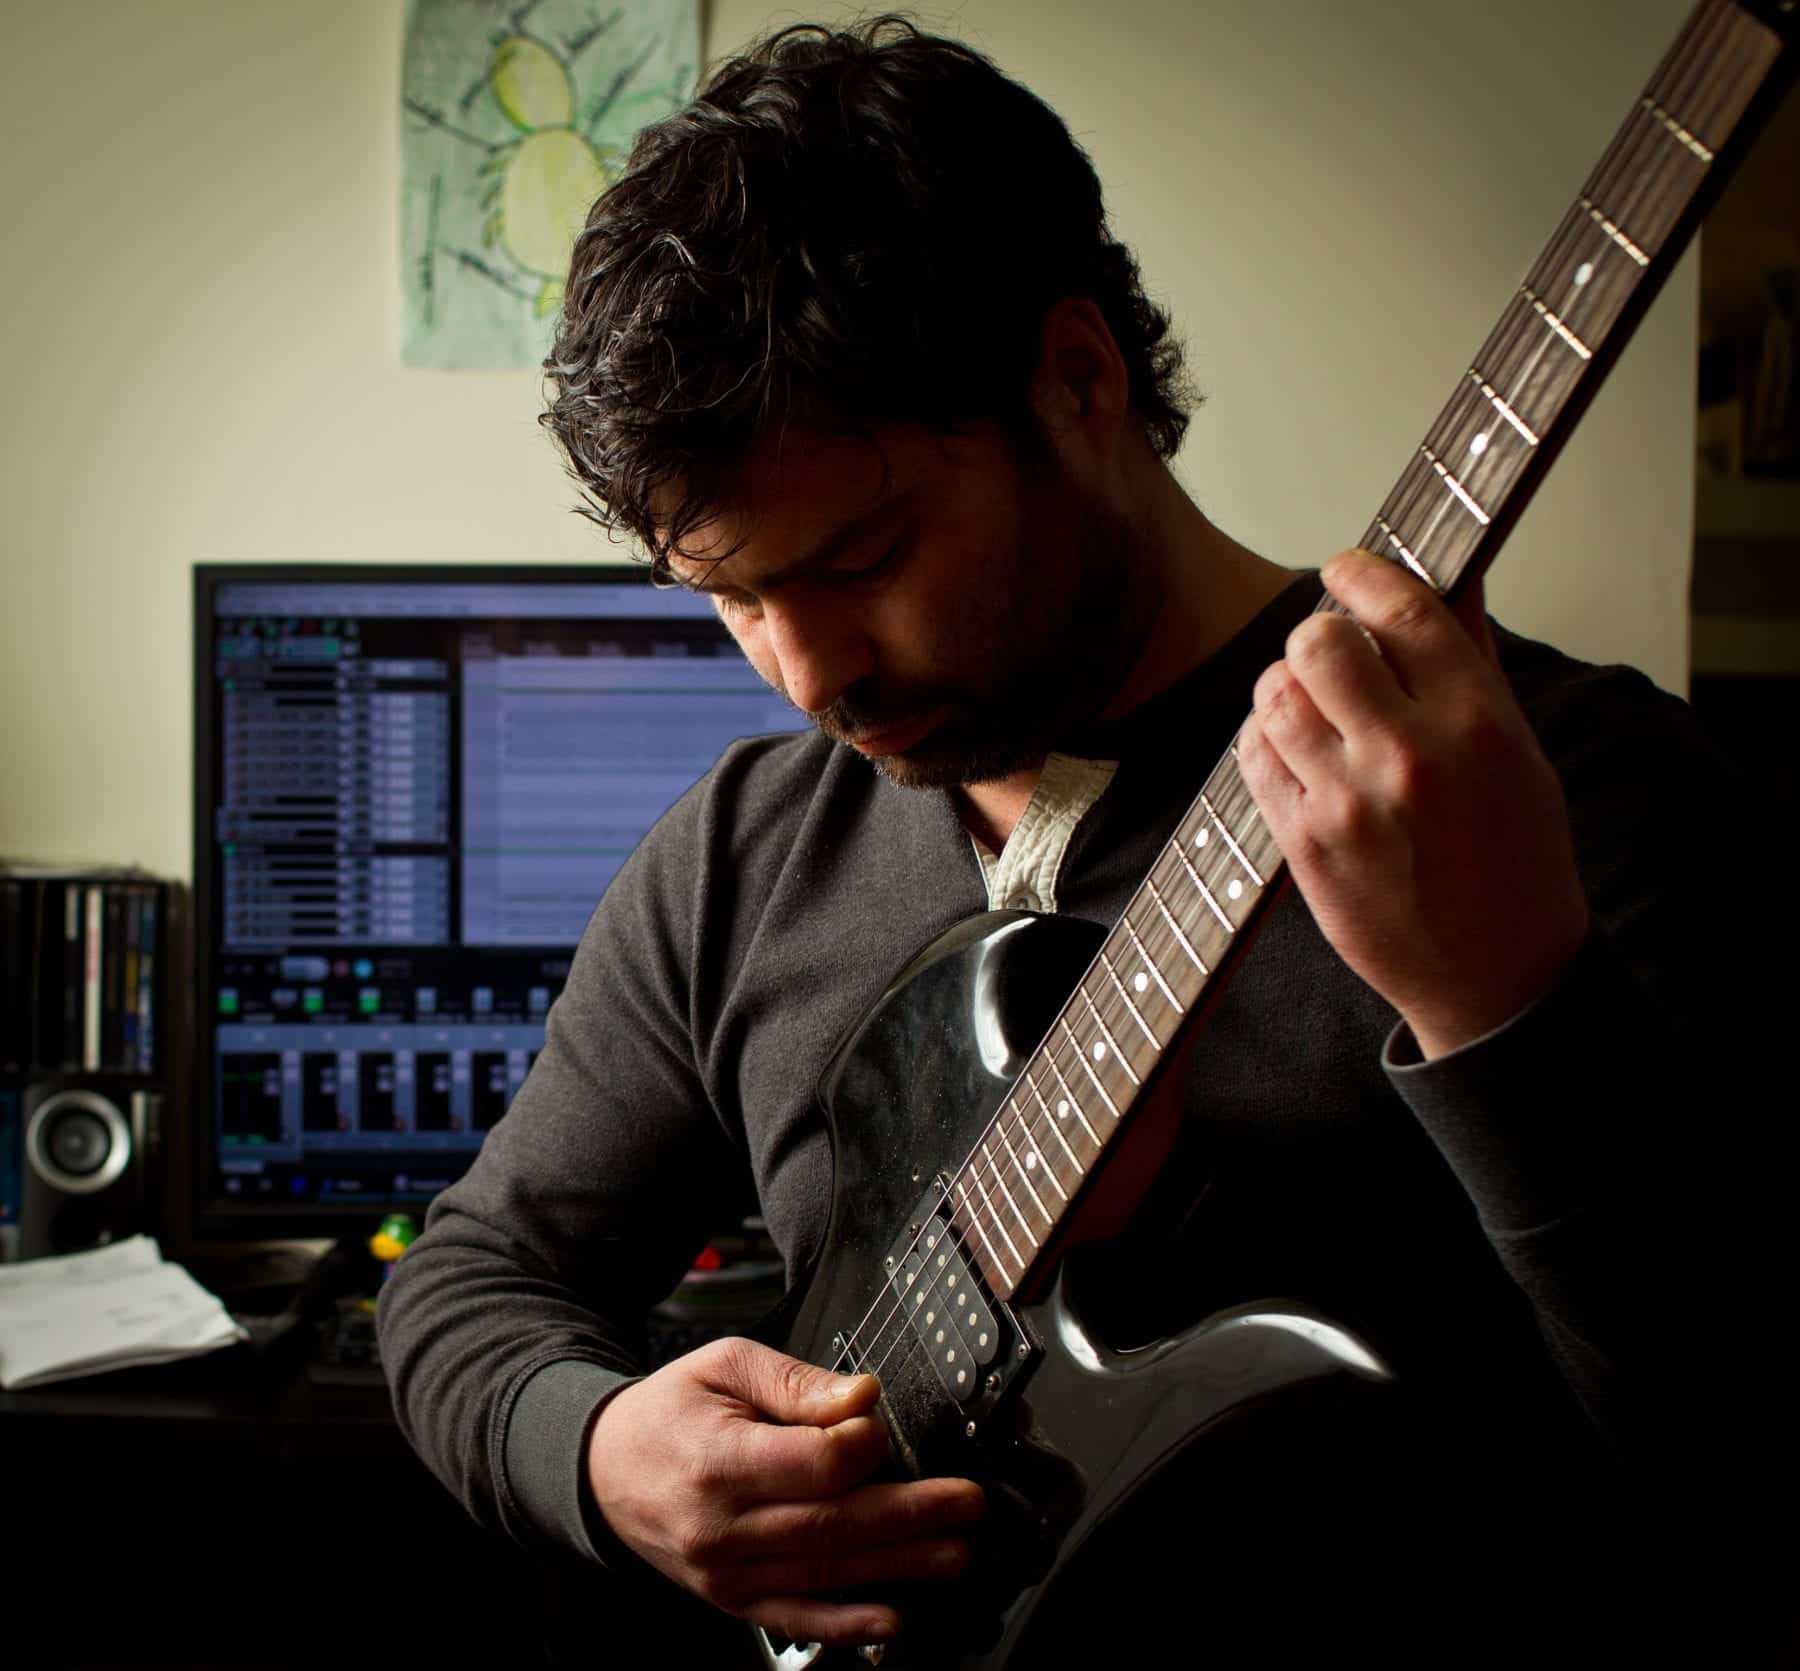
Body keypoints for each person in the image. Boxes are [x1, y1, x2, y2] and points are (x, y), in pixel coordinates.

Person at [378, 16, 1786, 1665]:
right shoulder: (743, 857)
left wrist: (1507, 1000)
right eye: (733, 598)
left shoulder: (1572, 797)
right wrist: (601, 1449)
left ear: (1078, 379)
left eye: (862, 558)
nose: (808, 675)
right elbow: (470, 1283)